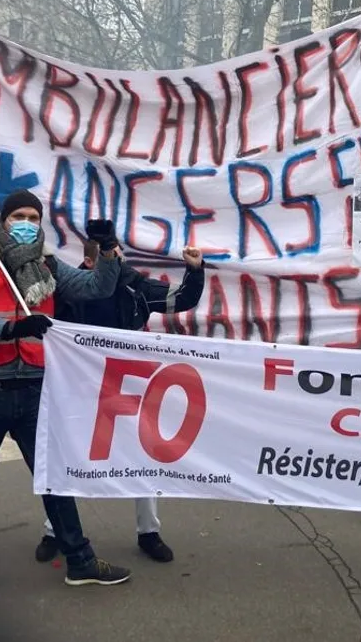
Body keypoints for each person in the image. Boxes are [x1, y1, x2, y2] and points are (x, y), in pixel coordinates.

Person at [0, 190, 128, 612]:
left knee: (54, 480)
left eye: (33, 216)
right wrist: (12, 327)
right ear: (3, 220)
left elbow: (95, 287)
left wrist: (109, 251)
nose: (26, 222)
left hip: (35, 385)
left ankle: (79, 562)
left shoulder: (45, 262)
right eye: (18, 215)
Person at [37, 236, 207, 565]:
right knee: (66, 452)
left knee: (142, 453)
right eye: (108, 256)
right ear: (90, 263)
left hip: (129, 385)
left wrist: (194, 269)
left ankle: (148, 532)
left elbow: (181, 299)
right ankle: (53, 530)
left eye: (117, 255)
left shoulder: (134, 286)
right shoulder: (69, 288)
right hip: (79, 387)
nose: (117, 260)